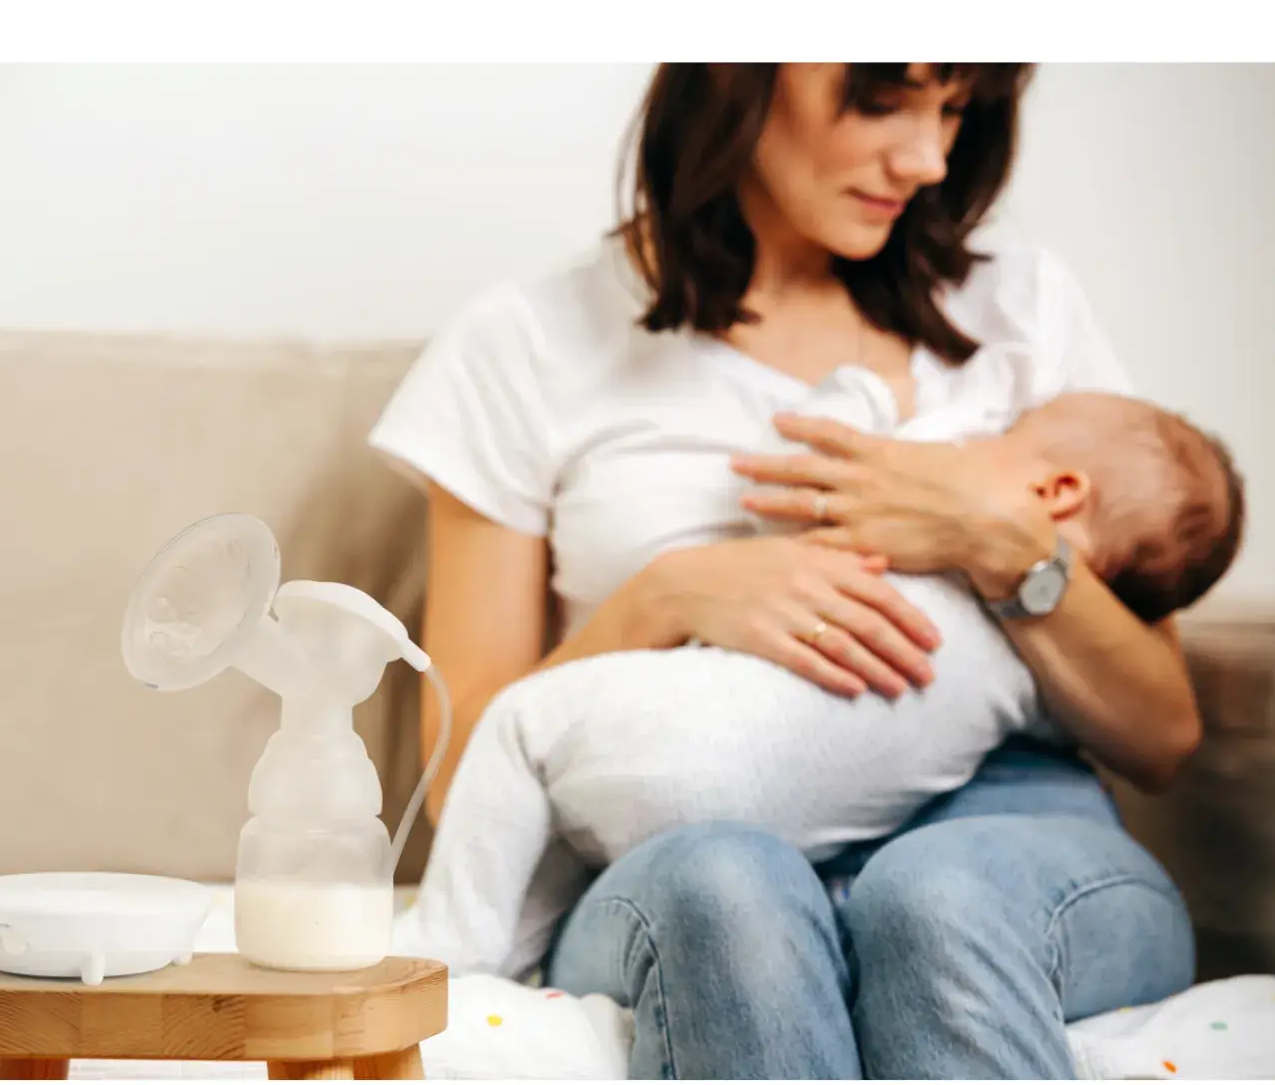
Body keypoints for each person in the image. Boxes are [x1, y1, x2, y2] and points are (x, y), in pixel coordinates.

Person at [370, 63, 1215, 1079]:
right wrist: (665, 599)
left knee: (938, 899)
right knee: (730, 891)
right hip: (689, 842)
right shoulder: (523, 346)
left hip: (1012, 827)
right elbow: (466, 780)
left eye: (955, 110)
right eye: (882, 101)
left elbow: (1162, 734)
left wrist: (997, 543)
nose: (928, 159)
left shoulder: (1021, 307)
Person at [389, 382, 1243, 980]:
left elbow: (796, 479)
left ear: (1054, 491)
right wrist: (666, 594)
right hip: (783, 831)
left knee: (524, 728)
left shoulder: (905, 515)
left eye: (1008, 431)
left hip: (698, 760)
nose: (977, 440)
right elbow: (1103, 703)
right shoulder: (1041, 670)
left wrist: (857, 403)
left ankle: (454, 952)